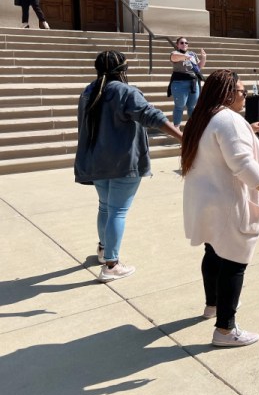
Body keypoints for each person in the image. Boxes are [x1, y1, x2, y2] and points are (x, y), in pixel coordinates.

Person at [181, 69, 259, 346]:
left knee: (214, 253)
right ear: (228, 94)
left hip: (205, 199)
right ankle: (225, 330)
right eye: (243, 92)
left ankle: (213, 306)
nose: (245, 96)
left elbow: (218, 144)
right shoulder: (228, 120)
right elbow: (242, 163)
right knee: (233, 262)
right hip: (225, 202)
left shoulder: (205, 115)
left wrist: (247, 130)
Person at [74, 51, 182, 282]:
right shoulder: (125, 91)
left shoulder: (89, 91)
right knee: (117, 211)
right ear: (122, 70)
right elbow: (152, 116)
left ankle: (104, 251)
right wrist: (183, 138)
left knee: (105, 207)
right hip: (123, 161)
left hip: (97, 160)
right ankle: (111, 265)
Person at [169, 37, 206, 128]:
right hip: (179, 83)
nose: (184, 44)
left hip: (193, 83)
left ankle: (192, 127)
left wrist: (204, 58)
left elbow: (198, 67)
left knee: (192, 106)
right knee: (179, 106)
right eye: (181, 43)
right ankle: (176, 128)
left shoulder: (192, 54)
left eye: (186, 43)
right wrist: (185, 57)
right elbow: (174, 58)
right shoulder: (175, 53)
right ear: (177, 45)